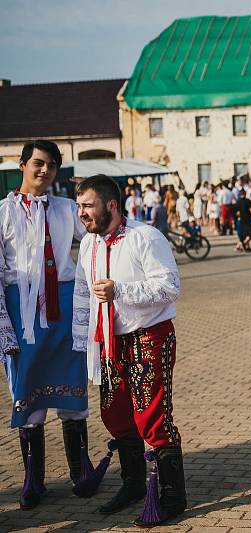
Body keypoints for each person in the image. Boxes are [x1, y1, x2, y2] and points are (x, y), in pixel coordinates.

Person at [73, 174, 185, 526]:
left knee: (151, 416)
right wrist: (81, 344)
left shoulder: (145, 237)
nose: (82, 214)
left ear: (111, 205)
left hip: (148, 335)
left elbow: (170, 286)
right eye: (78, 207)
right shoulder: (89, 245)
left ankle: (171, 497)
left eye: (88, 206)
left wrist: (121, 290)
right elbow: (81, 293)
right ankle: (134, 484)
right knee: (115, 414)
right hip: (108, 341)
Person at [0, 140, 95, 508]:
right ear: (22, 164)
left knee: (72, 393)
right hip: (22, 312)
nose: (45, 170)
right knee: (29, 392)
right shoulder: (3, 213)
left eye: (52, 166)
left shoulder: (67, 208)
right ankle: (32, 480)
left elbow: (94, 239)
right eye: (38, 163)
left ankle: (80, 470)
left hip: (65, 307)